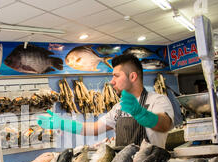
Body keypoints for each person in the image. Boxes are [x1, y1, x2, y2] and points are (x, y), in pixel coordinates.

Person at [37, 54, 175, 148]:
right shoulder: (119, 107)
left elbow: (165, 125)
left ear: (132, 76)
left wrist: (140, 113)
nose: (111, 81)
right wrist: (62, 124)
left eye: (116, 76)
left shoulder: (158, 100)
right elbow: (94, 128)